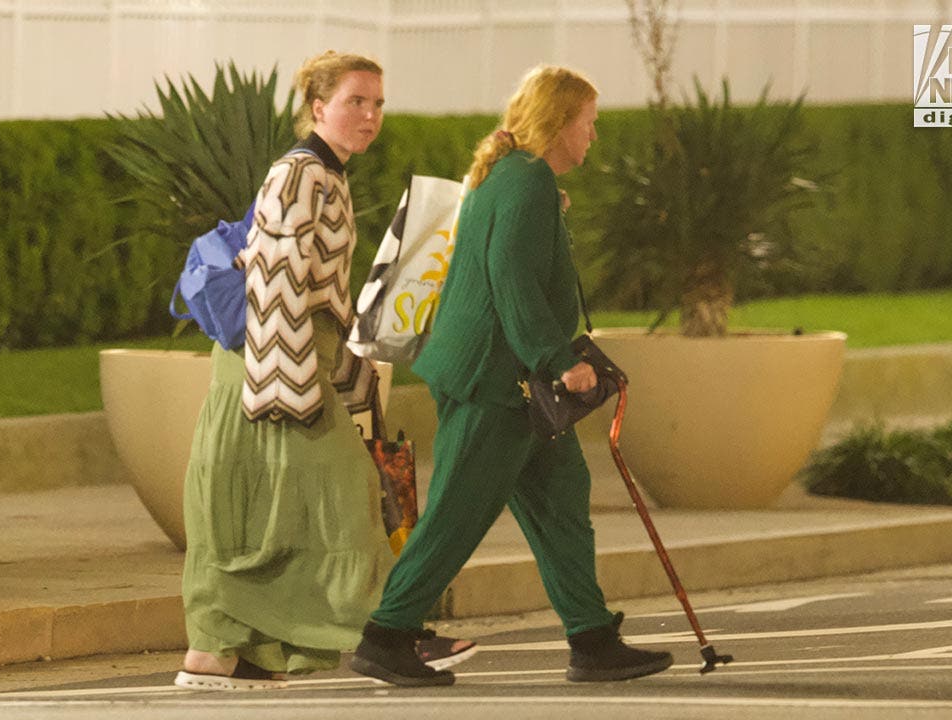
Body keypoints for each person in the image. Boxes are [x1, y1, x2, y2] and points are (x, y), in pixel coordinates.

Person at [349, 65, 674, 687]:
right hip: (496, 383)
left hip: (514, 386)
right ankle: (386, 636)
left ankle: (592, 638)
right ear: (560, 123)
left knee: (562, 505)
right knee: (457, 513)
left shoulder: (521, 178)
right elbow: (512, 283)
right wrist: (561, 361)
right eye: (589, 123)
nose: (594, 137)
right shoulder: (524, 182)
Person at [175, 50, 472, 691]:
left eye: (378, 103)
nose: (370, 115)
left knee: (272, 516)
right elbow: (276, 286)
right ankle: (387, 635)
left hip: (283, 363)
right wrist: (292, 388)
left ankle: (227, 651)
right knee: (345, 497)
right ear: (318, 108)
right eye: (355, 102)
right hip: (275, 368)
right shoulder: (302, 174)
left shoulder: (325, 174)